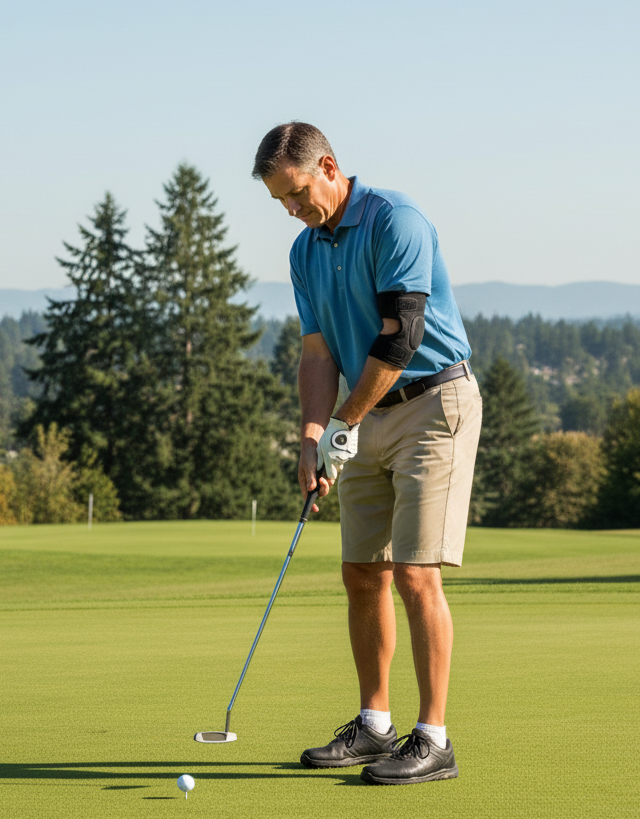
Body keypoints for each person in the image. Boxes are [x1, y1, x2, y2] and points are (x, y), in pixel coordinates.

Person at [252, 122, 482, 786]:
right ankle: (374, 725)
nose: (292, 212)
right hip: (366, 412)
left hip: (435, 403)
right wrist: (311, 432)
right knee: (362, 572)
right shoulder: (305, 252)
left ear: (327, 165)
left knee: (415, 575)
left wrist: (342, 425)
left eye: (296, 195)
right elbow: (318, 351)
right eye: (280, 204)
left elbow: (402, 335)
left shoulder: (395, 221)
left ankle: (433, 737)